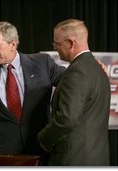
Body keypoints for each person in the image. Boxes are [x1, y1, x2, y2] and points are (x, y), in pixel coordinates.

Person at [0, 21, 66, 165]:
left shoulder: (42, 63)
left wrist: (90, 67)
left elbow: (71, 79)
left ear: (13, 44)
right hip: (6, 154)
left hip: (41, 149)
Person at [37, 19, 111, 166]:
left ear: (70, 43)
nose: (55, 48)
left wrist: (43, 139)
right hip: (96, 157)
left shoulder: (77, 71)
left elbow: (67, 118)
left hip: (75, 159)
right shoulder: (98, 69)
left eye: (57, 44)